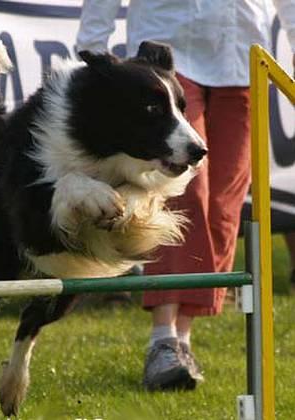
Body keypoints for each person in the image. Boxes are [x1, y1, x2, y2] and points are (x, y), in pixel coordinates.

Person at [76, 0, 295, 390]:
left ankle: (183, 340)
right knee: (183, 188)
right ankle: (162, 340)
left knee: (223, 205)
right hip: (168, 52)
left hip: (244, 57)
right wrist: (94, 41)